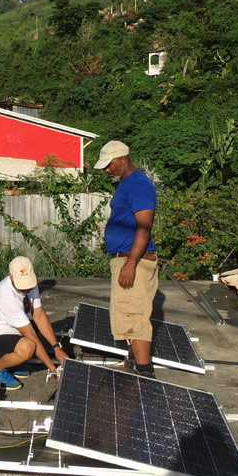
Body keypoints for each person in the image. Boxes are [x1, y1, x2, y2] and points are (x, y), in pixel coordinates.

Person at [94, 140, 158, 378]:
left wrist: (130, 263)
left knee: (134, 318)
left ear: (122, 159)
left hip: (134, 261)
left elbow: (144, 226)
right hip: (125, 259)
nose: (106, 170)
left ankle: (144, 373)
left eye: (109, 165)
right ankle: (134, 364)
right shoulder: (126, 183)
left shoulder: (138, 185)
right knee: (126, 315)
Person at [0, 256, 68, 389]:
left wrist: (57, 348)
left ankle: (9, 363)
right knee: (28, 347)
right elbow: (29, 334)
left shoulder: (29, 285)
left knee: (40, 330)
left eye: (28, 284)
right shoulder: (6, 296)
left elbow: (39, 316)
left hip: (9, 332)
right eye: (22, 286)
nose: (26, 289)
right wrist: (52, 369)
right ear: (10, 276)